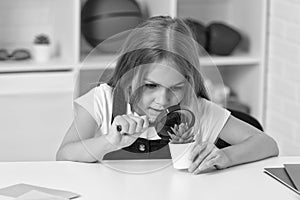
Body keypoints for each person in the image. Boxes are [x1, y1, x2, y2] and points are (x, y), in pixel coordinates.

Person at [56, 16, 279, 174]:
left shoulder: (197, 109)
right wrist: (108, 142)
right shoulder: (102, 101)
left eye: (176, 87)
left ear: (190, 82)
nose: (162, 100)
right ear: (128, 75)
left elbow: (266, 144)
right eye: (151, 85)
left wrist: (226, 157)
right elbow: (63, 155)